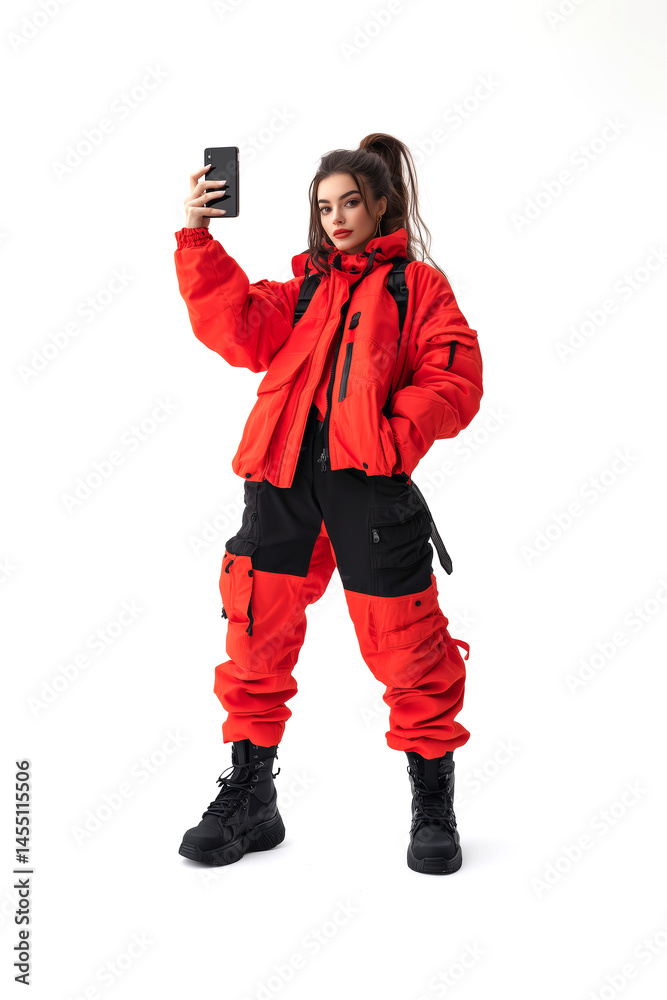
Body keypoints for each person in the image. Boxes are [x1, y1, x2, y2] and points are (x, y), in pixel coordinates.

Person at [173, 133, 483, 875]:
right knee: (256, 631)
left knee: (405, 642)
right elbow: (235, 325)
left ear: (380, 206)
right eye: (324, 207)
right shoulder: (303, 291)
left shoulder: (416, 287)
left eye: (350, 203)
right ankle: (252, 796)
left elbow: (454, 372)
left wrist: (393, 436)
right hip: (279, 480)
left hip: (366, 485)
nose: (336, 218)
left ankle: (432, 804)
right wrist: (197, 236)